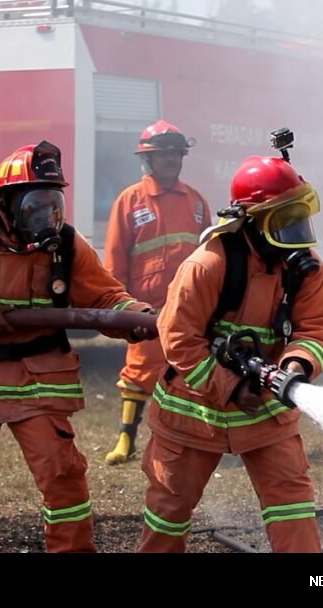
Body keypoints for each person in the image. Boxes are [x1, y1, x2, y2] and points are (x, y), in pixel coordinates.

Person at [0, 141, 155, 553]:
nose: (47, 217)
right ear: (6, 204)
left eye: (53, 203)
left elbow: (106, 297)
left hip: (39, 381)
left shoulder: (69, 246)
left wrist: (138, 316)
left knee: (64, 484)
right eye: (35, 205)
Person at [139, 154, 323, 553]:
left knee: (292, 509)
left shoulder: (305, 269)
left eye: (297, 215)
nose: (293, 229)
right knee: (168, 512)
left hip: (267, 408)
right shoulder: (208, 264)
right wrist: (230, 386)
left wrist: (295, 366)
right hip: (193, 413)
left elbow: (317, 329)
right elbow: (178, 337)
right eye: (281, 219)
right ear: (252, 220)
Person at [103, 120, 213, 465]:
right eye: (164, 154)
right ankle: (126, 439)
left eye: (176, 154)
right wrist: (119, 305)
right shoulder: (130, 201)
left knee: (192, 369)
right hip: (145, 309)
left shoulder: (196, 202)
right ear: (148, 159)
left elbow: (211, 254)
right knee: (138, 371)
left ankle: (196, 437)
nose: (172, 160)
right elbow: (115, 258)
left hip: (189, 305)